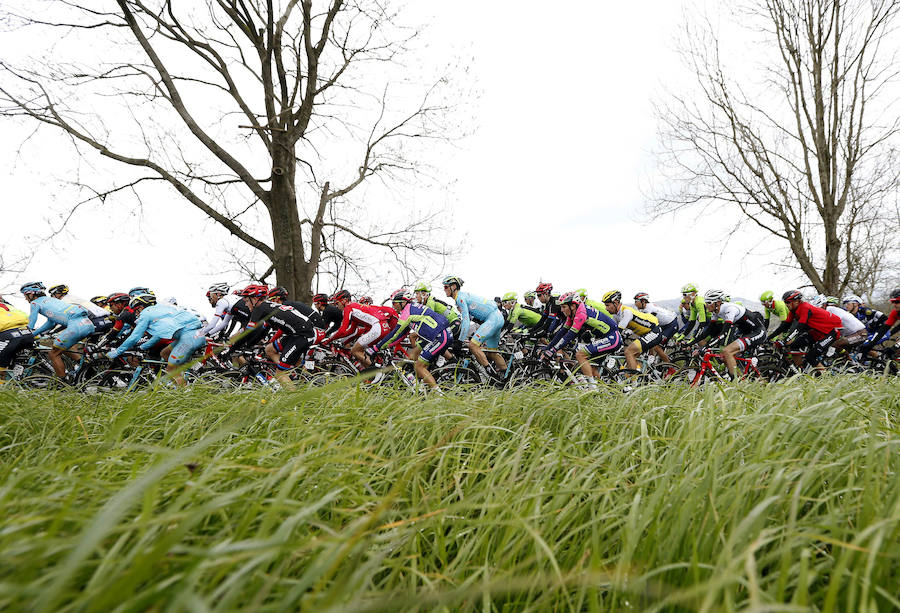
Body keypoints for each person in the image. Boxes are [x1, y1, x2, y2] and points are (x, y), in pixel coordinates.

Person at [223, 285, 319, 388]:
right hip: (297, 333)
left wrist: (233, 348)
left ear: (254, 299)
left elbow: (249, 331)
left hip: (301, 336)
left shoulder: (259, 308)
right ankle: (291, 374)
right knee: (269, 349)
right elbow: (262, 331)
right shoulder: (267, 307)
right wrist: (248, 346)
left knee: (280, 374)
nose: (246, 305)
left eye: (246, 301)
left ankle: (296, 400)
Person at [107, 294, 206, 386]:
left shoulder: (146, 313)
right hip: (193, 335)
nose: (136, 314)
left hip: (189, 338)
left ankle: (185, 393)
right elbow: (158, 335)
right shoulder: (159, 311)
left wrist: (118, 351)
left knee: (171, 370)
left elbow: (135, 336)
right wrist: (142, 347)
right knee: (164, 353)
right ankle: (183, 376)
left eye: (136, 310)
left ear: (141, 307)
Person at [375, 289, 453, 389]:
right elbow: (401, 335)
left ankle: (439, 396)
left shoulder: (407, 311)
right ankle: (422, 386)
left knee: (419, 366)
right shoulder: (411, 308)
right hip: (437, 336)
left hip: (440, 337)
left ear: (403, 302)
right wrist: (386, 345)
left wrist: (376, 348)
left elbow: (395, 333)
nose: (393, 306)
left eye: (394, 303)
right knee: (413, 358)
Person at [543, 291, 621, 389]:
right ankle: (603, 391)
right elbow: (561, 334)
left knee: (580, 355)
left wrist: (553, 350)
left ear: (572, 306)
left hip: (612, 338)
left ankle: (592, 389)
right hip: (605, 337)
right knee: (591, 369)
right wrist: (548, 348)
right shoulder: (573, 314)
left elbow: (570, 335)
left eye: (564, 307)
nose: (561, 310)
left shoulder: (581, 314)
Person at [22, 281, 96, 379]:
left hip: (76, 326)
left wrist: (28, 332)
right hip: (87, 323)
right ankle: (87, 368)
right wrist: (36, 333)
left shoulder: (35, 303)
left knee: (53, 353)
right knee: (63, 348)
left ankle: (62, 382)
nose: (25, 298)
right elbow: (51, 323)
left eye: (25, 295)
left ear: (31, 293)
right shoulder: (51, 300)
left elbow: (32, 321)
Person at [443, 275, 507, 381]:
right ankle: (507, 378)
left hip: (492, 319)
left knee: (473, 346)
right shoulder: (463, 296)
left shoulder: (460, 298)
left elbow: (466, 321)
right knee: (492, 353)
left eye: (446, 287)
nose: (444, 290)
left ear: (453, 286)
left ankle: (492, 377)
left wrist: (459, 341)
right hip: (496, 318)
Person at [700, 289, 767, 379]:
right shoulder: (716, 312)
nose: (706, 305)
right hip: (747, 333)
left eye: (708, 302)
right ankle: (740, 378)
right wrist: (691, 344)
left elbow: (724, 333)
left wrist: (706, 346)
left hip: (758, 332)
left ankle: (737, 383)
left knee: (727, 351)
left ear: (718, 302)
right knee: (723, 356)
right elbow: (707, 332)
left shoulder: (730, 309)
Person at [323, 289, 395, 369]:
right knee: (361, 352)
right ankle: (371, 375)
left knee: (355, 350)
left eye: (337, 303)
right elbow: (351, 331)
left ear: (344, 301)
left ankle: (376, 372)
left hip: (378, 327)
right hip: (383, 327)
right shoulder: (355, 307)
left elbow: (342, 330)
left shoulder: (348, 308)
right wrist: (344, 342)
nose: (337, 306)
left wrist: (328, 340)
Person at [774, 290, 842, 370]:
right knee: (794, 345)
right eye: (785, 302)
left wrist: (785, 340)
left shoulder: (805, 307)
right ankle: (800, 371)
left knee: (810, 356)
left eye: (788, 302)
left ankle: (826, 377)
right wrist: (769, 338)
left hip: (831, 332)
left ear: (796, 301)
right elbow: (784, 326)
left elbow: (799, 328)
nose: (786, 304)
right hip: (818, 331)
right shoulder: (793, 310)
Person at [602, 290, 664, 371]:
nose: (606, 308)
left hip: (654, 331)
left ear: (616, 303)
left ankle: (633, 382)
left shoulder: (626, 312)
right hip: (645, 334)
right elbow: (611, 330)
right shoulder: (616, 315)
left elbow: (618, 331)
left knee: (629, 352)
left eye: (607, 305)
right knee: (630, 359)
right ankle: (638, 376)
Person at [634, 292, 678, 360]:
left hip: (671, 324)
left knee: (656, 346)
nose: (635, 303)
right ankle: (652, 357)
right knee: (651, 338)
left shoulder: (649, 309)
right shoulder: (644, 308)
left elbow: (642, 323)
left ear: (643, 301)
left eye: (636, 301)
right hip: (663, 325)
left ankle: (670, 367)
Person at [857, 288, 900, 357]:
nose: (895, 305)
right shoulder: (894, 313)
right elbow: (883, 329)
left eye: (897, 302)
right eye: (893, 302)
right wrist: (871, 344)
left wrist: (895, 346)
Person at [0, 298, 34, 381]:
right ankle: (15, 378)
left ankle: (2, 389)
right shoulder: (6, 306)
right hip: (26, 331)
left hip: (10, 335)